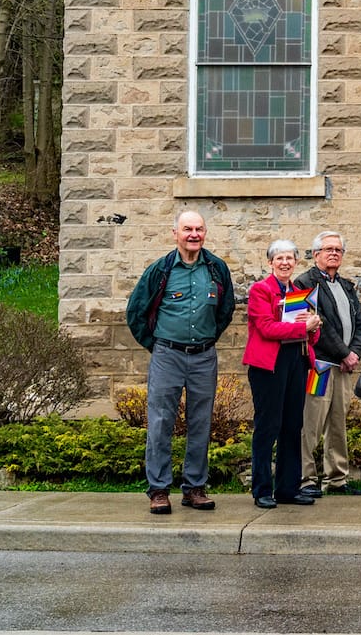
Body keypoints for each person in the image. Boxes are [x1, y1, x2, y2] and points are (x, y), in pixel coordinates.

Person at [125, 211, 235, 515]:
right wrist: (157, 346)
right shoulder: (160, 270)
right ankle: (159, 490)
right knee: (160, 423)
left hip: (203, 356)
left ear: (205, 233)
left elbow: (225, 311)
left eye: (199, 229)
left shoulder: (216, 268)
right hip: (167, 355)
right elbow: (135, 312)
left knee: (200, 423)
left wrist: (208, 340)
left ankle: (194, 488)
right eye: (188, 229)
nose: (194, 234)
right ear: (175, 232)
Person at [244, 239, 322, 509]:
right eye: (279, 258)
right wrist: (304, 328)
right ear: (270, 263)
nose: (285, 263)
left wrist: (314, 326)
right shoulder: (260, 290)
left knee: (292, 426)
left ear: (296, 262)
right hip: (268, 365)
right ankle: (262, 489)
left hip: (296, 361)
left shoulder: (300, 291)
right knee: (268, 427)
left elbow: (310, 333)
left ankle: (288, 488)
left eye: (289, 258)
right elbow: (266, 328)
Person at [296, 230, 361, 498]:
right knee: (311, 423)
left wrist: (355, 353)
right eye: (328, 249)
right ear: (316, 255)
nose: (334, 253)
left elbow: (360, 323)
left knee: (338, 423)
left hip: (343, 367)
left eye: (338, 250)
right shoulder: (306, 283)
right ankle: (305, 479)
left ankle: (337, 478)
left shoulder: (346, 286)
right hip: (320, 365)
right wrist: (343, 353)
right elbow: (319, 325)